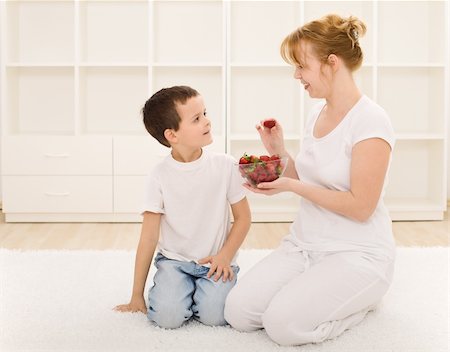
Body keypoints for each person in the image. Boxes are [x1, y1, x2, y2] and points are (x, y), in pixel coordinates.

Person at [224, 14, 396, 346]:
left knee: (282, 326)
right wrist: (280, 154)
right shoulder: (317, 113)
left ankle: (363, 302)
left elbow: (361, 207)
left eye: (302, 66)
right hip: (306, 244)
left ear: (331, 63)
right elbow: (310, 177)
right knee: (239, 313)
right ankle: (317, 291)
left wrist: (291, 186)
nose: (297, 75)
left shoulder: (371, 121)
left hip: (357, 252)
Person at [114, 85, 251, 329]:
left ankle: (203, 292)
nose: (207, 122)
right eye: (197, 119)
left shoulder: (225, 165)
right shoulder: (159, 176)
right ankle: (181, 289)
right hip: (174, 263)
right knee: (167, 319)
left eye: (206, 114)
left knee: (215, 317)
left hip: (216, 261)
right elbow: (148, 239)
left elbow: (243, 219)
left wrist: (225, 256)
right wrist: (136, 295)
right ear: (172, 135)